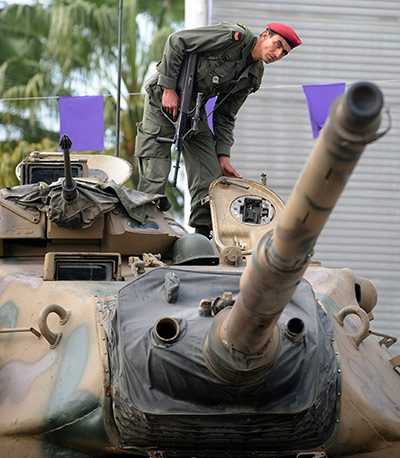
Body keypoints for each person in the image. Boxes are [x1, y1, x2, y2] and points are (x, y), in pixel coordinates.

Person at [135, 22, 301, 238]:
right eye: (277, 45)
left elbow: (225, 114)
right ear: (265, 35)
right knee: (155, 167)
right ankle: (144, 231)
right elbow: (177, 41)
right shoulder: (233, 37)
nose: (277, 54)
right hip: (163, 98)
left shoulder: (253, 76)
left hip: (194, 108)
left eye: (284, 53)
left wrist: (223, 155)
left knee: (210, 176)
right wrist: (168, 88)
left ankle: (202, 238)